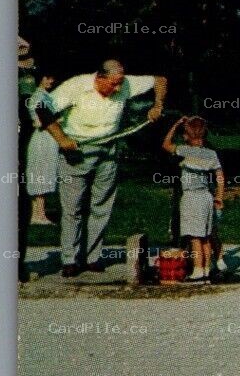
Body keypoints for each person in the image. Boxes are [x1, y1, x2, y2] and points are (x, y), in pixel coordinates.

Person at [41, 59, 168, 276]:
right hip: (77, 152)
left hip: (108, 151)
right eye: (113, 84)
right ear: (100, 77)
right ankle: (69, 260)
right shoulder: (77, 85)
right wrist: (61, 138)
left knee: (101, 206)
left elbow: (160, 80)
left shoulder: (124, 83)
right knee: (73, 208)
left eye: (120, 83)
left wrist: (157, 105)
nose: (119, 88)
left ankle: (93, 257)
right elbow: (42, 107)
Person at [163, 116, 225, 282]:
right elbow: (219, 175)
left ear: (186, 136)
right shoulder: (211, 154)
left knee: (194, 237)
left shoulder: (185, 150)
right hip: (206, 196)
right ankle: (206, 269)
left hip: (191, 197)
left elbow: (166, 144)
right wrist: (219, 195)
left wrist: (175, 124)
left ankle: (197, 269)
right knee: (206, 236)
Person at [24, 73, 60, 227]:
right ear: (41, 79)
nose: (51, 80)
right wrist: (57, 121)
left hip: (47, 138)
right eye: (47, 78)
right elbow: (38, 122)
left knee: (43, 174)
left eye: (52, 78)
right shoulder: (38, 97)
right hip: (42, 138)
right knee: (40, 174)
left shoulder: (45, 96)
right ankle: (38, 214)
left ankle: (39, 214)